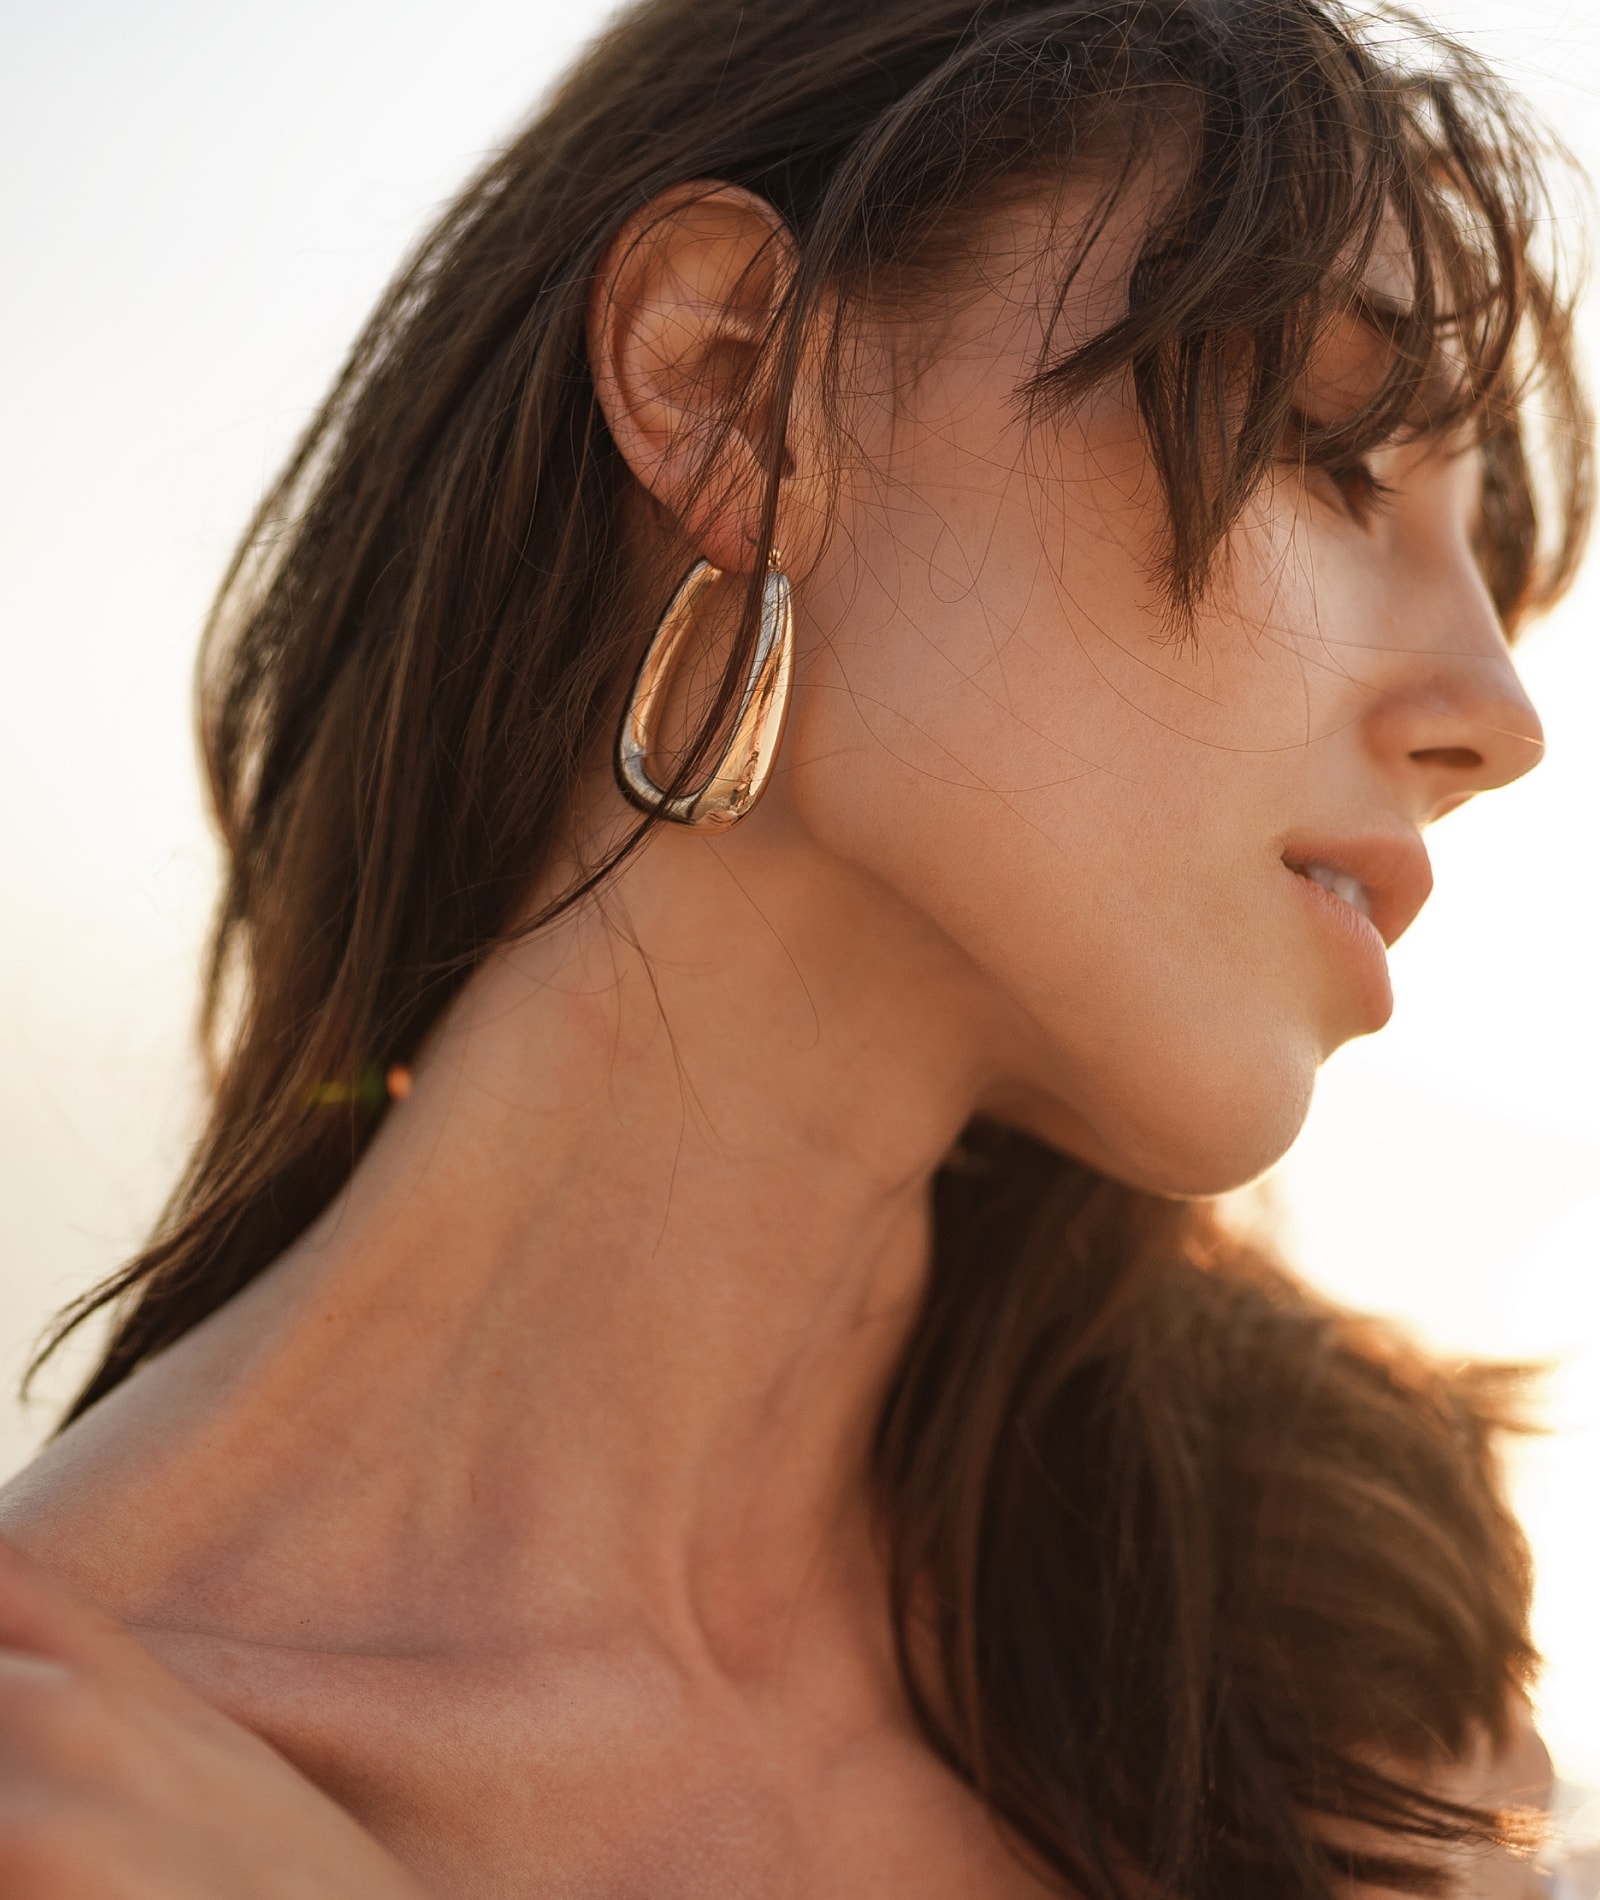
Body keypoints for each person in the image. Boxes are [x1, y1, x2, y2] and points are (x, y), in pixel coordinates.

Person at [0, 0, 1587, 1893]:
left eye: (1486, 562)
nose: (1501, 719)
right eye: (1326, 451)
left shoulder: (1322, 1626)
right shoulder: (66, 1791)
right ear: (735, 385)